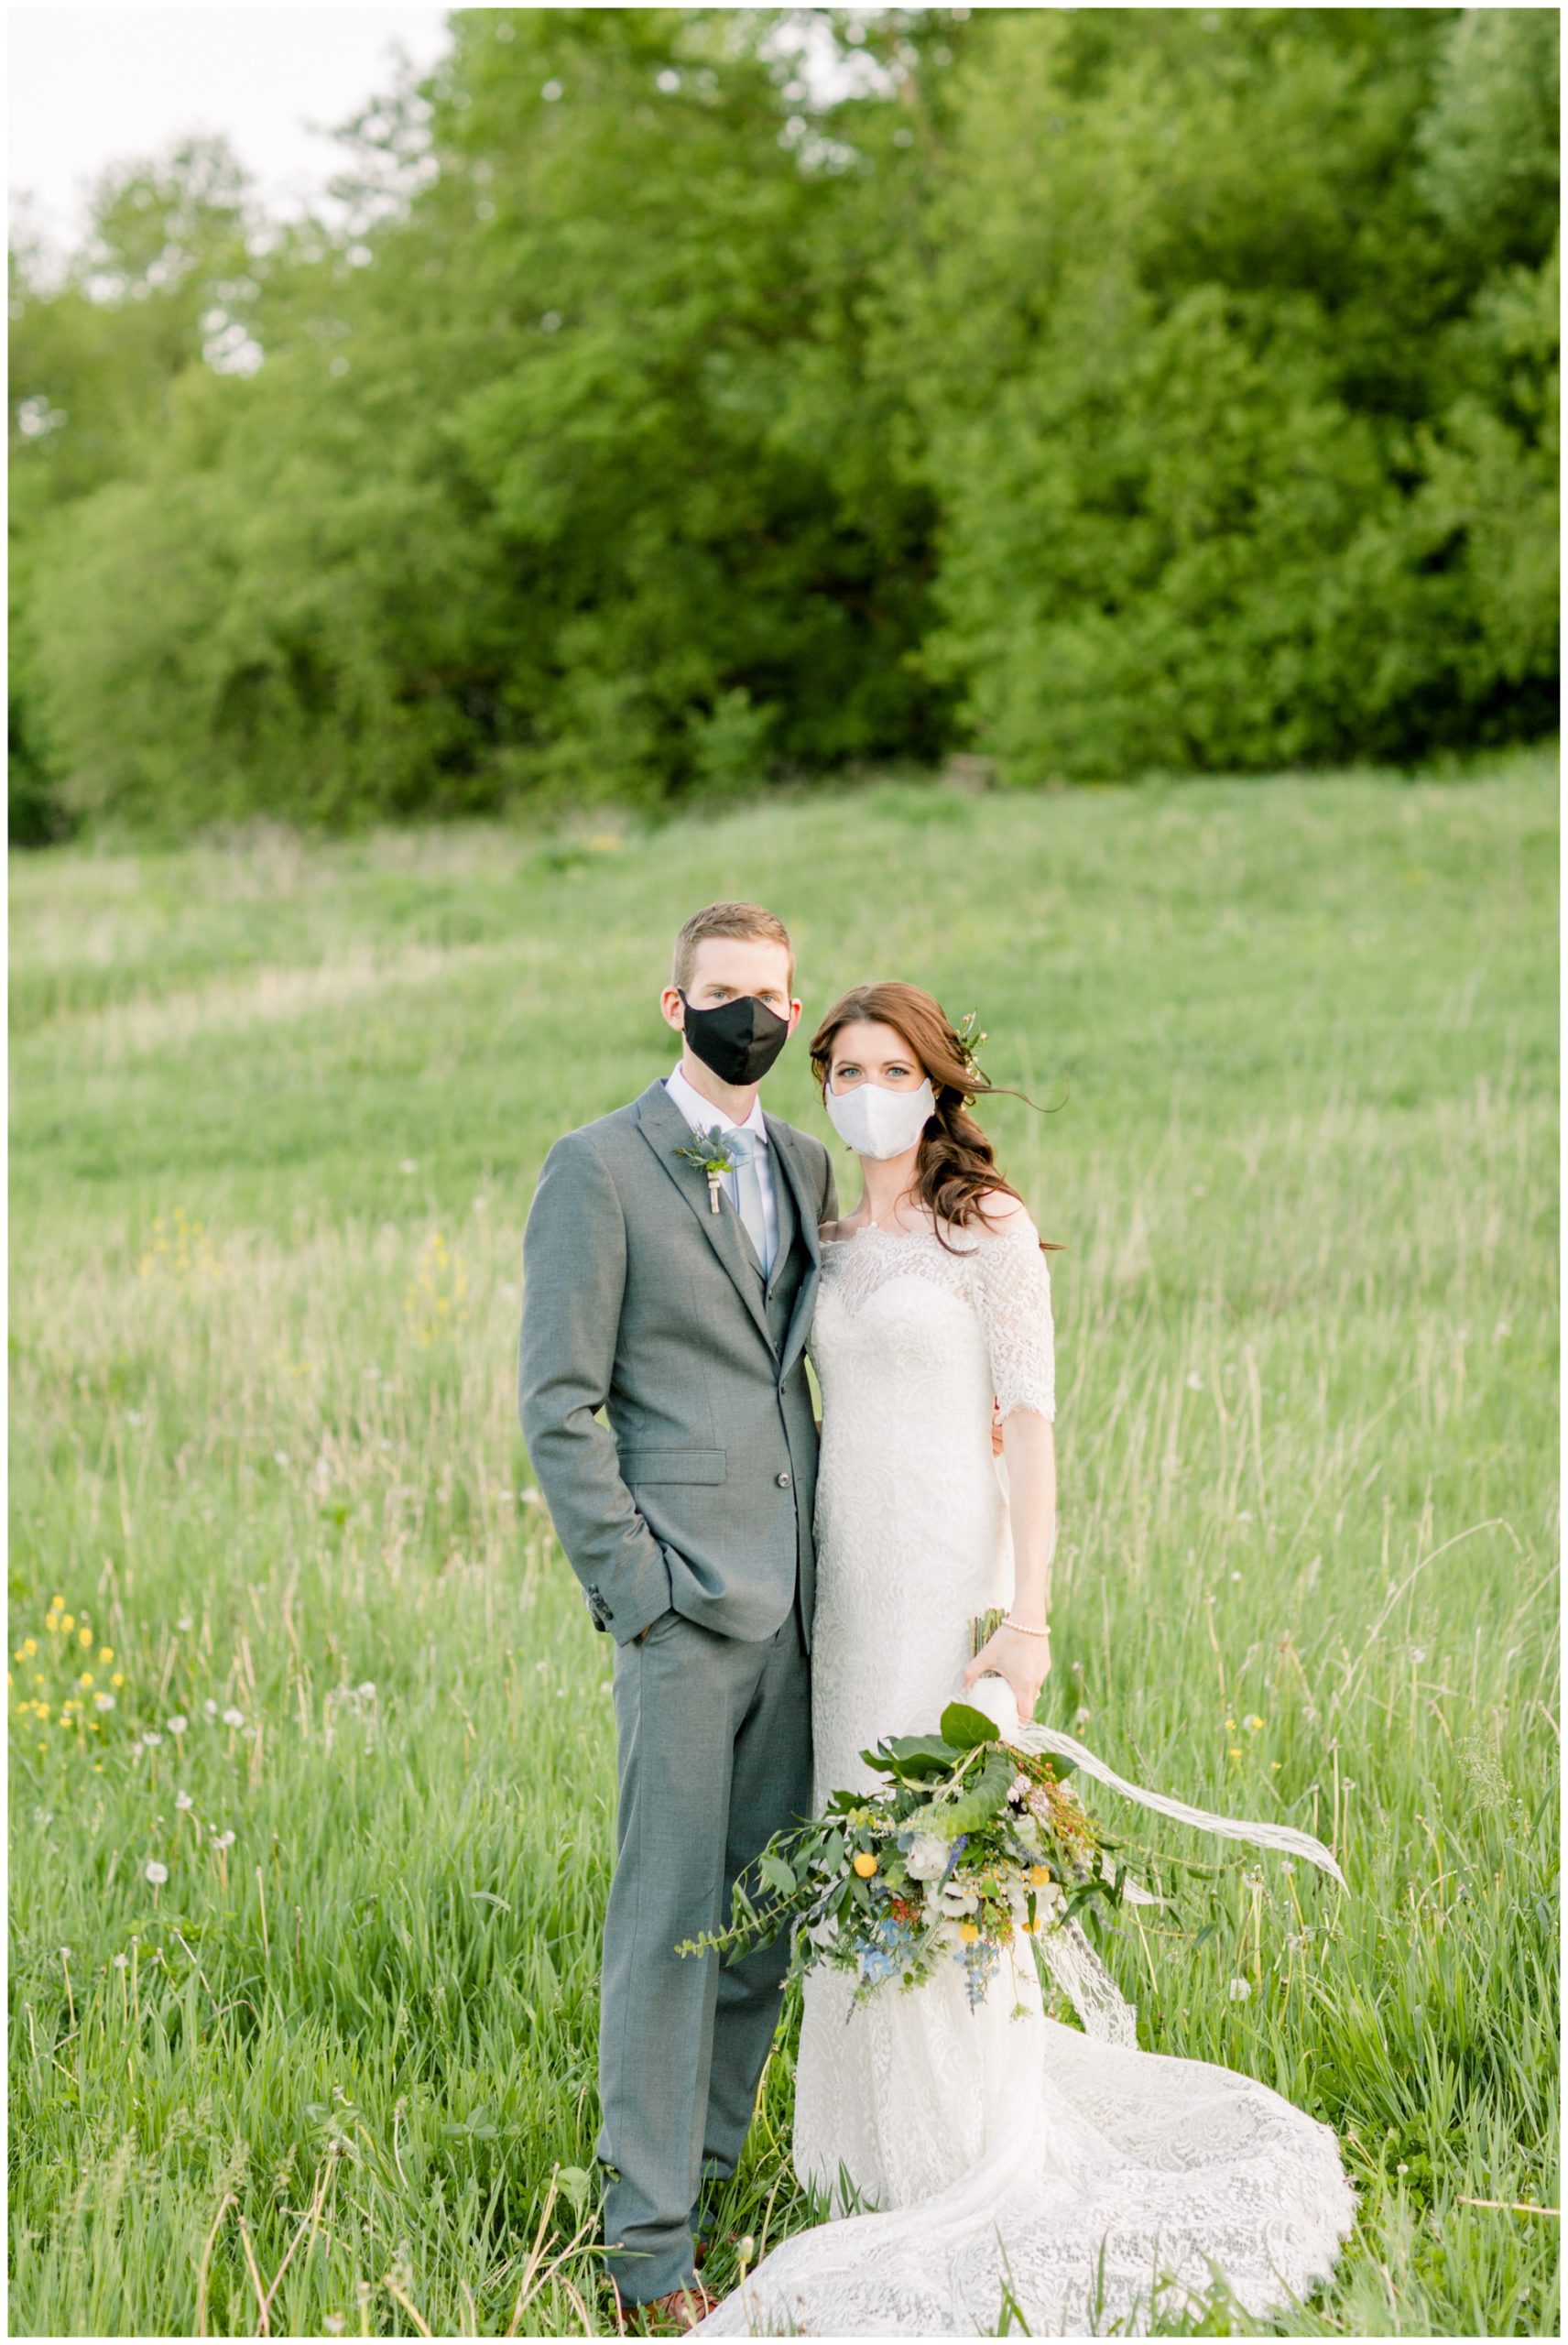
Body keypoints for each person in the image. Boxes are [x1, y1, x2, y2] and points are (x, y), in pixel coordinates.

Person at [695, 982, 1357, 2339]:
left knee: (935, 1850)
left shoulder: (983, 1231)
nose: (866, 1087)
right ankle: (862, 2156)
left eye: (892, 1067)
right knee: (854, 1844)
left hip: (950, 1575)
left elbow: (1032, 1429)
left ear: (938, 1086)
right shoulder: (827, 1234)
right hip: (849, 1584)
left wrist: (1027, 1615)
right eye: (846, 1068)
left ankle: (955, 2146)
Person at [517, 902, 836, 2330]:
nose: (751, 1016)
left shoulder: (813, 1164)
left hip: (804, 1608)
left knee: (765, 1919)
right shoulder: (598, 1169)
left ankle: (704, 2179)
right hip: (684, 1615)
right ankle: (645, 2252)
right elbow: (559, 1406)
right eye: (725, 994)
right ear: (673, 1005)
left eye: (772, 995)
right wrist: (636, 1593)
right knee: (669, 1921)